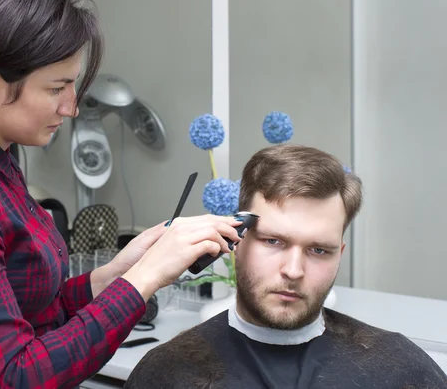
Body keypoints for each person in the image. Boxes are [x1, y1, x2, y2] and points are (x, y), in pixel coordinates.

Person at [0, 0, 243, 388]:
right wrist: (145, 281)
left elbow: (34, 311)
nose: (71, 108)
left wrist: (118, 274)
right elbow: (17, 377)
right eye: (57, 88)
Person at [125, 144, 447, 389]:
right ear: (235, 239)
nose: (294, 270)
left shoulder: (398, 370)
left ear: (340, 253)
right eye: (273, 242)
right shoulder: (167, 373)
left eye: (319, 250)